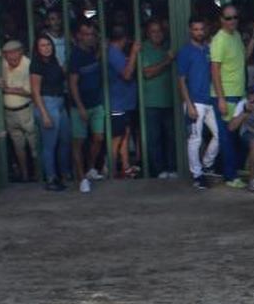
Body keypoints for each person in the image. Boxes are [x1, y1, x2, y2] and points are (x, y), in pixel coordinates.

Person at [176, 17, 217, 191]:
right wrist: (189, 104)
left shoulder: (209, 49)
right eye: (195, 29)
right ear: (190, 30)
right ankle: (197, 175)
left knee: (220, 135)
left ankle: (206, 165)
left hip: (210, 100)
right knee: (195, 139)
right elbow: (181, 80)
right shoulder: (185, 52)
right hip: (195, 102)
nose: (199, 32)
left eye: (201, 29)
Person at [66, 21, 106, 193]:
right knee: (78, 143)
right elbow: (72, 84)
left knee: (98, 138)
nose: (90, 37)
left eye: (92, 34)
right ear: (79, 36)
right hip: (80, 106)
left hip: (96, 104)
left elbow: (94, 61)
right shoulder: (75, 55)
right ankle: (82, 178)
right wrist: (80, 107)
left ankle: (90, 169)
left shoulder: (91, 52)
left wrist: (101, 50)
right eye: (86, 34)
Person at [210, 6, 248, 187]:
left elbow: (242, 58)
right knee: (227, 137)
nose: (232, 20)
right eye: (228, 18)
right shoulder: (219, 40)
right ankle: (230, 176)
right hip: (227, 95)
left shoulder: (237, 36)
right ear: (221, 20)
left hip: (238, 94)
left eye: (235, 17)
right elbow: (214, 71)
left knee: (234, 137)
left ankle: (228, 170)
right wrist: (221, 98)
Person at [28, 34, 68, 192]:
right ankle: (51, 178)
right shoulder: (36, 65)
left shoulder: (54, 61)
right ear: (37, 49)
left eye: (48, 45)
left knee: (65, 139)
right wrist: (44, 114)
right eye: (43, 45)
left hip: (59, 102)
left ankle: (63, 174)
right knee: (49, 145)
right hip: (47, 103)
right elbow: (35, 91)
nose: (46, 48)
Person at [138, 19, 177, 180]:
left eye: (159, 30)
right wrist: (167, 61)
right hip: (151, 102)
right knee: (153, 139)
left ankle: (172, 168)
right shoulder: (143, 48)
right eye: (153, 31)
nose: (157, 34)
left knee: (171, 137)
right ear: (148, 33)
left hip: (170, 100)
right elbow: (147, 73)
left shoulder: (169, 45)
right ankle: (159, 170)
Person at [0, 39, 37, 185]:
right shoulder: (2, 64)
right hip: (9, 112)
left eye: (14, 54)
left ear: (21, 52)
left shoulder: (28, 65)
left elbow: (29, 91)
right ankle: (25, 174)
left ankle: (38, 173)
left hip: (25, 110)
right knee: (17, 145)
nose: (11, 58)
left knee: (34, 144)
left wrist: (7, 89)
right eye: (7, 55)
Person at [106, 26, 140, 179]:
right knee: (116, 139)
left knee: (124, 135)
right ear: (124, 39)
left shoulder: (116, 52)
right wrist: (133, 53)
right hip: (117, 103)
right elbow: (127, 74)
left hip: (124, 103)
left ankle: (125, 167)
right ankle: (110, 170)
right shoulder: (113, 53)